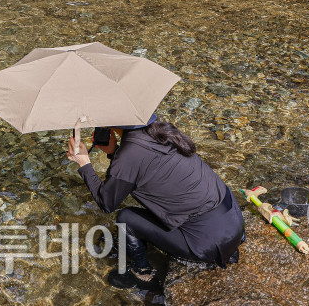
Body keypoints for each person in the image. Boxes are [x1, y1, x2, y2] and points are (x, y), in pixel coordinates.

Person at [67, 115, 245, 291]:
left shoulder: (130, 154)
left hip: (208, 244)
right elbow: (138, 172)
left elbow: (106, 203)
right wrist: (114, 152)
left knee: (125, 218)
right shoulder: (162, 131)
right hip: (234, 223)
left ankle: (142, 275)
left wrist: (84, 163)